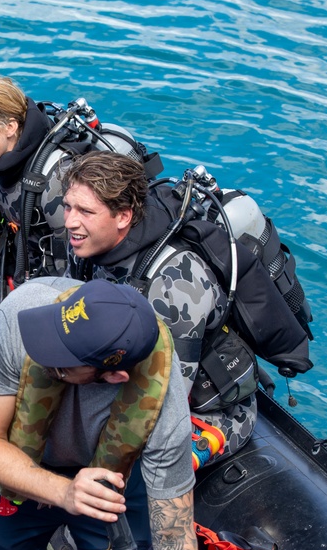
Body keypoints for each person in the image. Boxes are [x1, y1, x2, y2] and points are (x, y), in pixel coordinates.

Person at [0, 277, 199, 550]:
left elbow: (174, 540)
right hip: (12, 464)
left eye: (62, 362)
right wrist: (64, 492)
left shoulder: (165, 409)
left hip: (113, 484)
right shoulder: (22, 313)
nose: (42, 351)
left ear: (113, 376)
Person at [0, 75, 145, 357]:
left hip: (63, 297)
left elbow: (70, 284)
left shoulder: (55, 184)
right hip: (20, 271)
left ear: (10, 127)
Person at [61, 151, 257, 462]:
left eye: (85, 211)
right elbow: (62, 322)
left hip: (203, 410)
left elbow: (167, 400)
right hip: (116, 371)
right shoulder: (85, 245)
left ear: (123, 216)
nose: (70, 221)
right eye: (67, 207)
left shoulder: (176, 283)